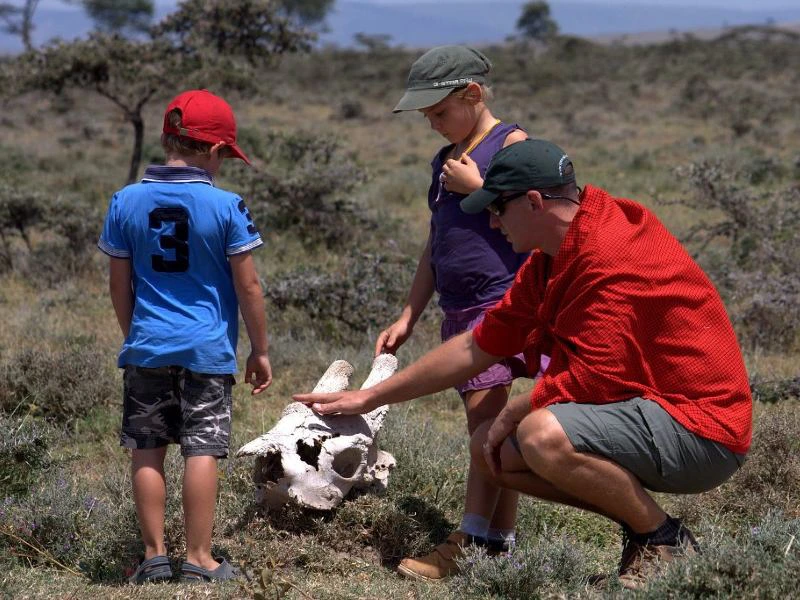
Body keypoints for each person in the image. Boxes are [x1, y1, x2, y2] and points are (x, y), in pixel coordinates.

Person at [294, 139, 753, 590]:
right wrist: (369, 395)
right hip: (652, 413)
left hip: (703, 430)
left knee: (538, 434)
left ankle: (663, 539)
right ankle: (646, 532)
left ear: (534, 201)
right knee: (491, 453)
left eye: (497, 209)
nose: (492, 224)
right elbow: (478, 346)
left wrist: (513, 412)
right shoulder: (553, 258)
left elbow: (596, 376)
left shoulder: (609, 253)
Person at [98, 89, 273, 584]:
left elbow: (118, 283)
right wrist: (259, 349)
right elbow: (249, 285)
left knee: (147, 448)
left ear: (164, 137)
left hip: (146, 345)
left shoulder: (125, 200)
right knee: (202, 449)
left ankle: (154, 557)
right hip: (208, 350)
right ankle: (199, 559)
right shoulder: (225, 205)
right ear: (216, 152)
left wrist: (135, 335)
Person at [376, 44, 531, 581]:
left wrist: (480, 189)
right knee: (492, 429)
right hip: (459, 308)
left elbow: (537, 217)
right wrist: (409, 312)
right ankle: (498, 546)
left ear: (473, 94)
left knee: (486, 427)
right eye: (427, 117)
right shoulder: (442, 161)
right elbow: (435, 242)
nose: (432, 124)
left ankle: (468, 543)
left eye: (439, 112)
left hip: (503, 303)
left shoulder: (512, 145)